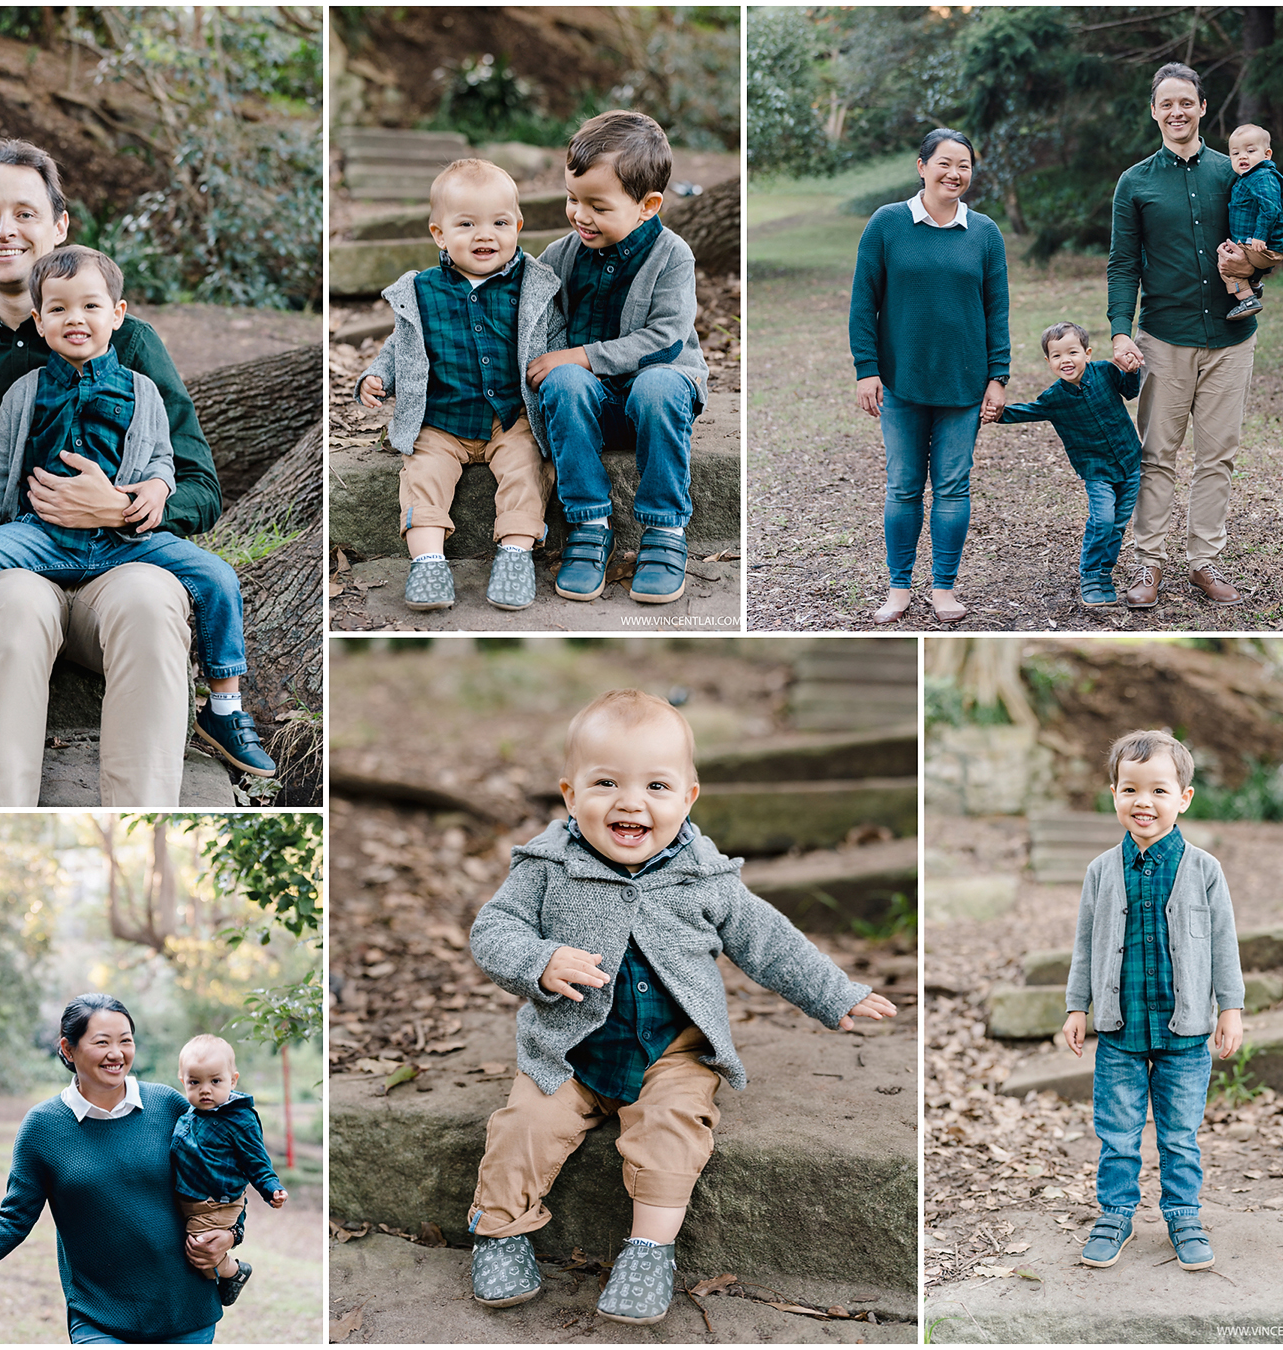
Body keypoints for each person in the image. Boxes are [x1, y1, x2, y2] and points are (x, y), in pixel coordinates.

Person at [463, 689, 898, 1325]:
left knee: (673, 1128)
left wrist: (834, 994)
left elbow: (767, 941)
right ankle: (499, 1232)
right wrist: (538, 961)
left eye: (657, 786)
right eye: (606, 782)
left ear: (689, 797)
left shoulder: (703, 874)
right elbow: (492, 930)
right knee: (523, 1126)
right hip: (568, 1050)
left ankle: (648, 1250)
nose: (631, 801)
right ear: (569, 794)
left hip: (673, 1053)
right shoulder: (545, 866)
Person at [0, 140, 224, 806]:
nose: (6, 229)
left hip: (118, 571)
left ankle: (143, 830)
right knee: (11, 604)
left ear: (59, 225)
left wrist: (121, 506)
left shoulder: (131, 344)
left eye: (25, 212)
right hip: (18, 568)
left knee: (151, 602)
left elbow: (201, 485)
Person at [0, 246, 273, 776]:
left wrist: (149, 493)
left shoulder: (142, 389)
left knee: (217, 575)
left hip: (121, 543)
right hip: (39, 535)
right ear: (39, 321)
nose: (75, 319)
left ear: (118, 314)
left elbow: (163, 459)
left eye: (90, 307)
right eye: (58, 309)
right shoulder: (25, 391)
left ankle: (224, 705)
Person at [0, 994, 240, 1343]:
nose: (117, 1053)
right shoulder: (44, 1127)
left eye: (125, 1040)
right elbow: (12, 1219)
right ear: (68, 1049)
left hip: (186, 1315)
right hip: (100, 1319)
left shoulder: (169, 1106)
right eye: (102, 1042)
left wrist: (231, 1235)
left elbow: (226, 1177)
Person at [1063, 729, 1245, 1273]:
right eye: (1130, 789)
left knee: (1180, 1135)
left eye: (1159, 791)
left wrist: (1230, 1008)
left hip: (1185, 1032)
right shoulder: (1101, 871)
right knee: (1117, 1134)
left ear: (1183, 798)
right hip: (1119, 1031)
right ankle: (1115, 1215)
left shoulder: (1204, 869)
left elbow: (1223, 944)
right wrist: (1078, 1006)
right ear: (1114, 793)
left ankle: (1184, 1215)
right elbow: (1085, 943)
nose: (1143, 802)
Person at [355, 158, 563, 613]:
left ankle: (515, 553)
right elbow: (400, 344)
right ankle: (428, 562)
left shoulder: (533, 286)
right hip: (441, 420)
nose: (484, 235)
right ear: (439, 234)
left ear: (518, 227)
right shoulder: (421, 291)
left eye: (499, 223)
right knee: (423, 475)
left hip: (510, 417)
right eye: (467, 223)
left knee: (527, 466)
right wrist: (377, 375)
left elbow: (554, 340)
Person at [531, 111, 709, 606]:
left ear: (648, 205)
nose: (580, 215)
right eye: (572, 198)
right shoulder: (560, 255)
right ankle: (588, 524)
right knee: (563, 381)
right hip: (585, 407)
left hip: (655, 398)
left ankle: (664, 530)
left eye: (597, 206)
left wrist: (586, 354)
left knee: (658, 385)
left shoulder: (672, 256)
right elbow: (529, 321)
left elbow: (667, 338)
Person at [849, 127, 1011, 626]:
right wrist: (867, 370)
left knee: (953, 487)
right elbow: (863, 303)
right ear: (922, 167)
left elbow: (997, 310)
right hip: (901, 381)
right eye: (944, 163)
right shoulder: (887, 225)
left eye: (963, 165)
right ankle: (899, 589)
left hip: (965, 385)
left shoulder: (984, 233)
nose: (954, 173)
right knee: (902, 486)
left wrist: (998, 376)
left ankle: (943, 588)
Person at [1108, 62, 1255, 610]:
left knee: (1218, 454)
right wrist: (1121, 332)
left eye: (1185, 102)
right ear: (1154, 111)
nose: (1176, 112)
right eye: (1166, 103)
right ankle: (1148, 565)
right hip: (1163, 339)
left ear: (1202, 108)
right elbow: (1123, 264)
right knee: (1157, 455)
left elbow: (1260, 245)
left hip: (1231, 338)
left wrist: (1252, 267)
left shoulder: (1233, 174)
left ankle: (1205, 562)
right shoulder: (1135, 182)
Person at [982, 322, 1143, 607]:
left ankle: (1105, 572)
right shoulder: (1054, 398)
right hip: (1097, 471)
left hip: (1130, 462)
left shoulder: (1106, 371)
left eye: (1072, 352)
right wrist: (996, 414)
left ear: (1087, 353)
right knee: (1103, 520)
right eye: (1056, 356)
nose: (1065, 360)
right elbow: (1026, 411)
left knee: (1118, 524)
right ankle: (1091, 574)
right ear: (1048, 362)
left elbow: (1130, 392)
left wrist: (1132, 371)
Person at [170, 1033, 287, 1297]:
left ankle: (235, 1272)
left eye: (215, 1081)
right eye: (194, 1082)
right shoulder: (190, 1113)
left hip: (218, 1202)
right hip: (190, 1199)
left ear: (233, 1080)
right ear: (183, 1081)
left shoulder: (240, 1120)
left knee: (199, 1250)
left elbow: (256, 1160)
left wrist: (271, 1188)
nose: (205, 1090)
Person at [1218, 123, 1283, 320]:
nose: (1242, 156)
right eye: (1235, 153)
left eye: (1250, 151)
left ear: (1267, 154)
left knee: (1226, 262)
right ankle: (1255, 284)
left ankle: (1248, 299)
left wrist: (1260, 236)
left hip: (1261, 244)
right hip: (1261, 244)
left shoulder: (1262, 177)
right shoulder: (1248, 177)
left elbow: (1271, 208)